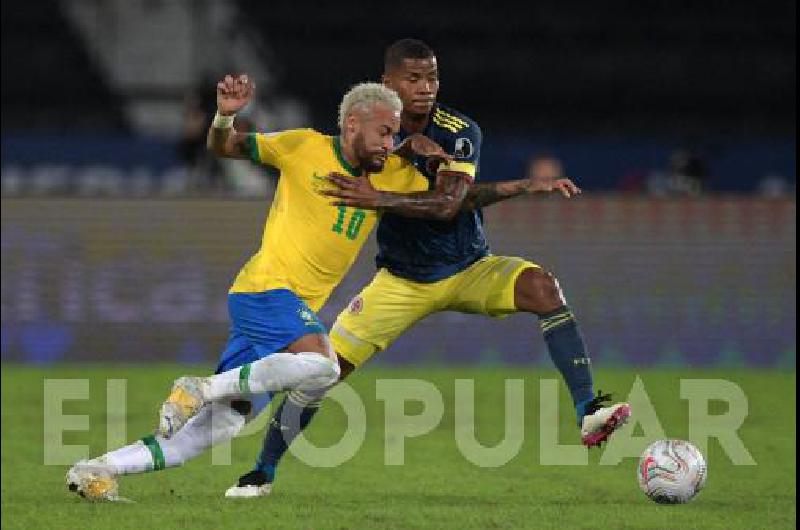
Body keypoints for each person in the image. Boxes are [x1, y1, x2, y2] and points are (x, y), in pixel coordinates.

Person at [225, 39, 631, 498]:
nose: (425, 88)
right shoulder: (373, 138)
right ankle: (262, 471)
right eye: (413, 79)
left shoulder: (458, 132)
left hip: (469, 267)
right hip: (401, 281)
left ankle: (587, 409)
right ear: (388, 84)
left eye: (432, 78)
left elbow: (450, 203)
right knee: (324, 372)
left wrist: (380, 198)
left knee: (542, 287)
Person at [65, 75, 460, 501]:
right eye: (384, 131)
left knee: (213, 431)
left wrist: (443, 163)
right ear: (351, 125)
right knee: (324, 366)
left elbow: (451, 203)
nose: (390, 142)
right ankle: (200, 388)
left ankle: (95, 470)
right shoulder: (304, 146)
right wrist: (223, 117)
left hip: (286, 314)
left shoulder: (396, 175)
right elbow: (224, 146)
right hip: (266, 290)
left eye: (396, 133)